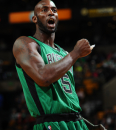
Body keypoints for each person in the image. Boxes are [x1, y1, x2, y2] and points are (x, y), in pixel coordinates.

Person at [12, 0, 106, 130]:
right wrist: (76, 53)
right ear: (35, 18)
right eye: (44, 10)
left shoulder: (64, 53)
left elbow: (67, 98)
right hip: (51, 123)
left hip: (77, 123)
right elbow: (43, 76)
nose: (51, 12)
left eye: (54, 10)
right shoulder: (25, 43)